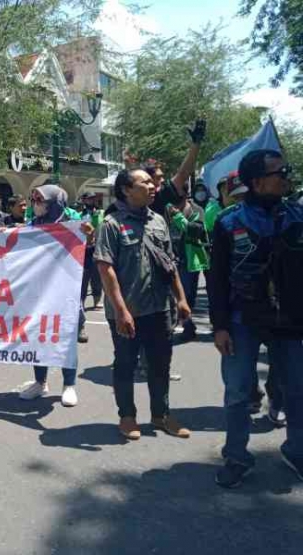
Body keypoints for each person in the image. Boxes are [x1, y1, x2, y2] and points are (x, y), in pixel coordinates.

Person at [209, 149, 303, 488]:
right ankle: (236, 456)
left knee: (297, 390)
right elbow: (216, 277)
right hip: (240, 321)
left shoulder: (297, 217)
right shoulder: (229, 222)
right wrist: (219, 326)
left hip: (290, 322)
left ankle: (297, 451)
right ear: (258, 182)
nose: (287, 176)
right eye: (281, 172)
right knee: (237, 393)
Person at [95, 169, 192, 441]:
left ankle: (161, 415)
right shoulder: (111, 224)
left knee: (161, 364)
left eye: (152, 182)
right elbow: (106, 269)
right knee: (125, 364)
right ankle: (127, 417)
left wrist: (181, 298)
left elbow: (169, 264)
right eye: (145, 182)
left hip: (160, 309)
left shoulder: (159, 221)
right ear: (126, 190)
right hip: (128, 313)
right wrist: (122, 310)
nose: (152, 186)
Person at [19, 185, 87, 407]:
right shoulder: (33, 225)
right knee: (39, 337)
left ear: (55, 202)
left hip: (65, 291)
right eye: (34, 200)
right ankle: (40, 382)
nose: (36, 204)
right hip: (39, 292)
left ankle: (69, 385)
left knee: (66, 339)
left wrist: (89, 235)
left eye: (41, 200)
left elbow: (88, 249)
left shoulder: (74, 226)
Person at [167, 187, 209, 344]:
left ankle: (188, 327)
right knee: (167, 296)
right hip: (168, 259)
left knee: (186, 296)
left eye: (178, 195)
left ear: (185, 195)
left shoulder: (196, 210)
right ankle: (172, 326)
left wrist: (177, 216)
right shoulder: (165, 209)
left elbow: (195, 231)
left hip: (188, 261)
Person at [80, 192, 105, 310]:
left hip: (97, 247)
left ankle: (97, 300)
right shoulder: (79, 214)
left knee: (97, 276)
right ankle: (81, 301)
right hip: (84, 249)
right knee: (83, 277)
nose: (92, 201)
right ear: (84, 200)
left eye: (93, 199)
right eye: (89, 199)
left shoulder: (101, 213)